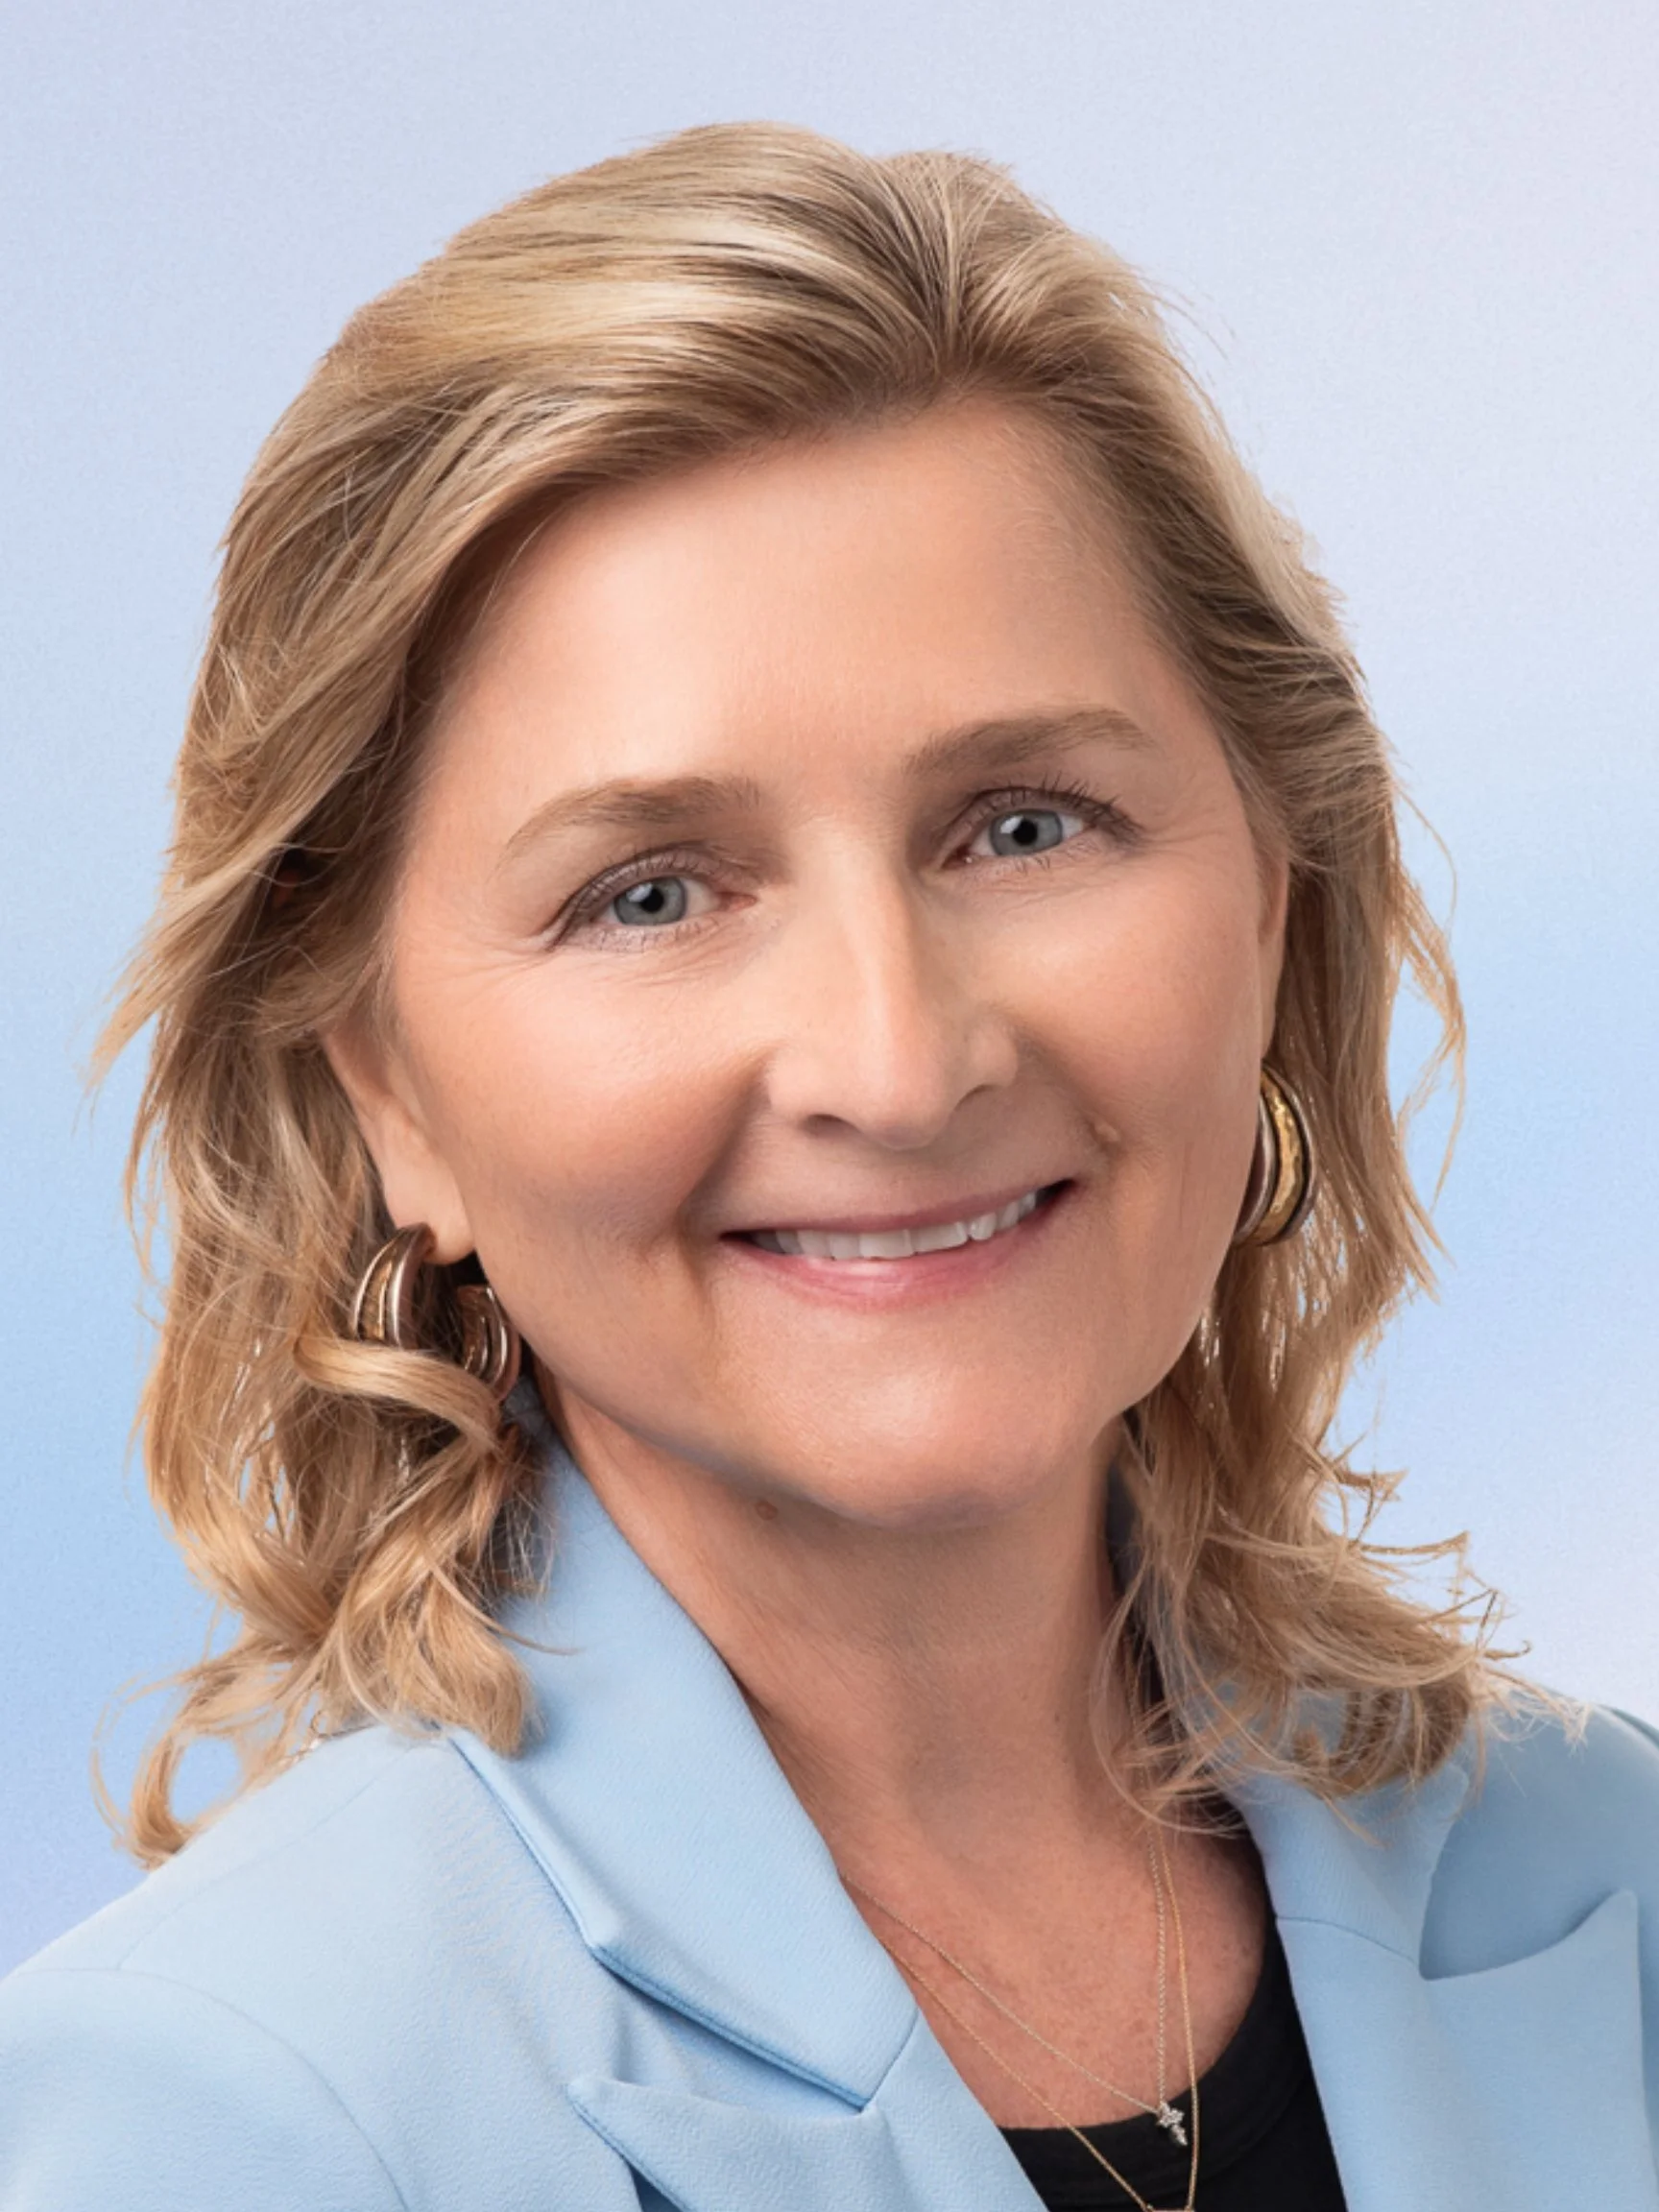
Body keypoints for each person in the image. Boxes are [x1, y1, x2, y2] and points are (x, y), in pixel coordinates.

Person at [1, 120, 1654, 2212]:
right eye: (652, 894)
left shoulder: (1618, 1890)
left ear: (1273, 907)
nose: (896, 1061)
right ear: (382, 1093)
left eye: (1026, 824)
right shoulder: (224, 2123)